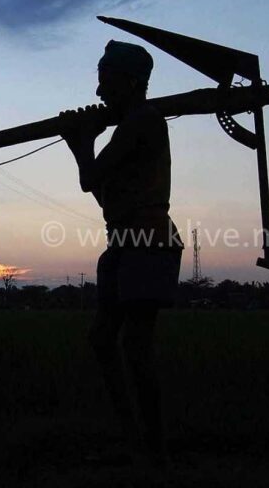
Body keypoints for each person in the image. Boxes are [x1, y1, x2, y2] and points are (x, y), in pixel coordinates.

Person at [59, 40, 183, 466]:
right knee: (102, 339)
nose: (99, 94)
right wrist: (84, 142)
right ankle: (135, 436)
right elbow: (99, 192)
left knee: (134, 346)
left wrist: (80, 141)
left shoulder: (143, 122)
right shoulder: (128, 128)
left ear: (131, 83)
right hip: (124, 240)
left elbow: (88, 176)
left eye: (106, 82)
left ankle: (153, 448)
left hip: (147, 243)